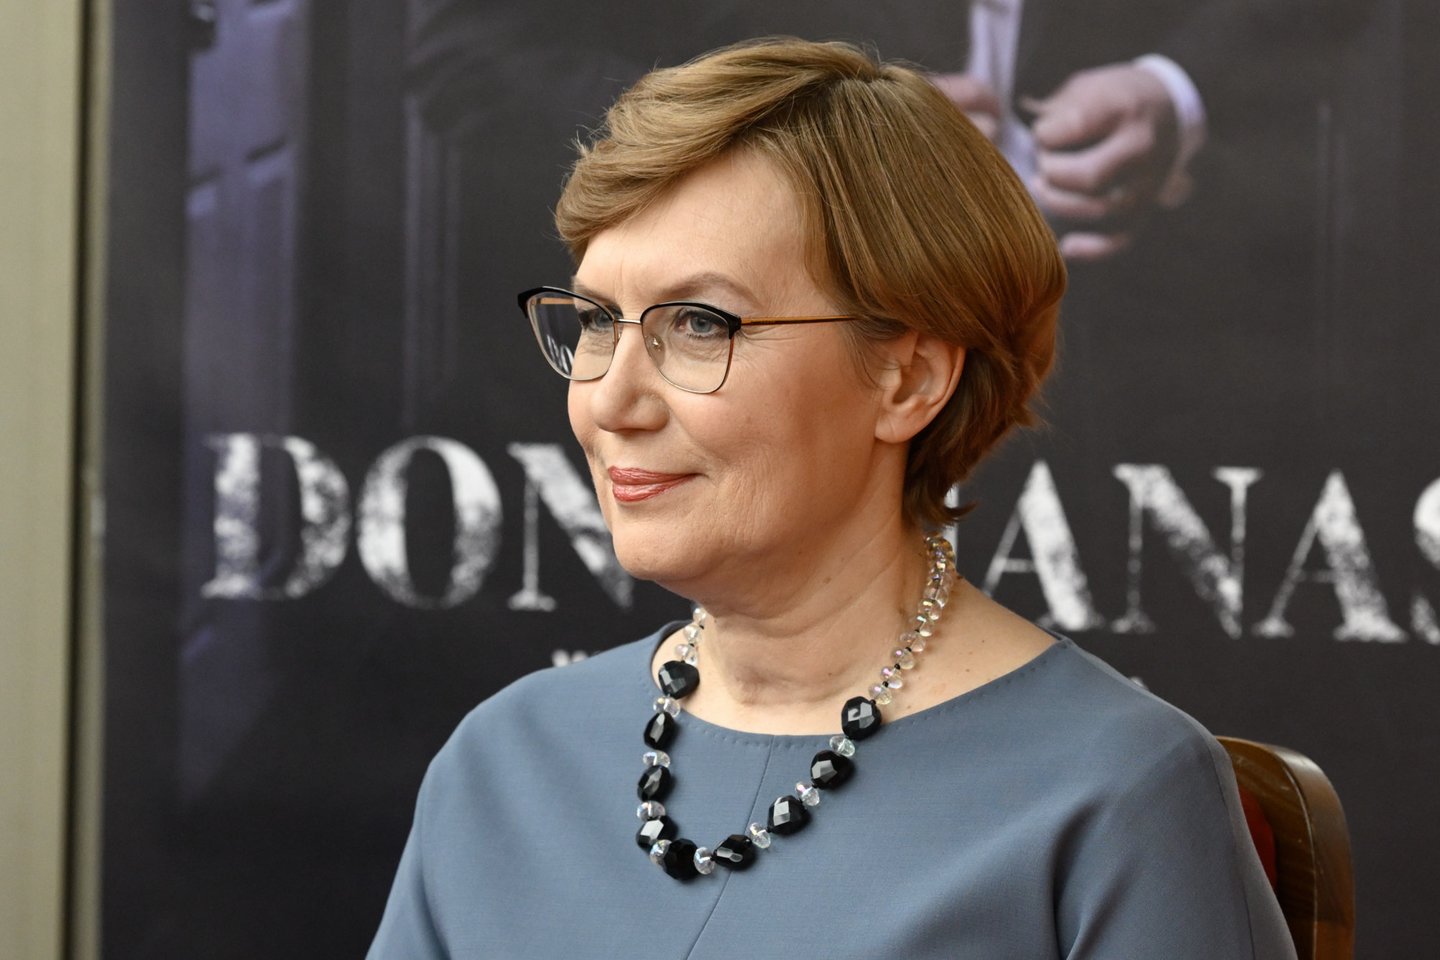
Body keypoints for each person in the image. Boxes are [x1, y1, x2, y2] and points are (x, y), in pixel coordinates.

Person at [368, 38, 1295, 959]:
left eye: (699, 325)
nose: (611, 401)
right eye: (599, 320)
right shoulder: (506, 761)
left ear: (909, 380)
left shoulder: (1121, 794)